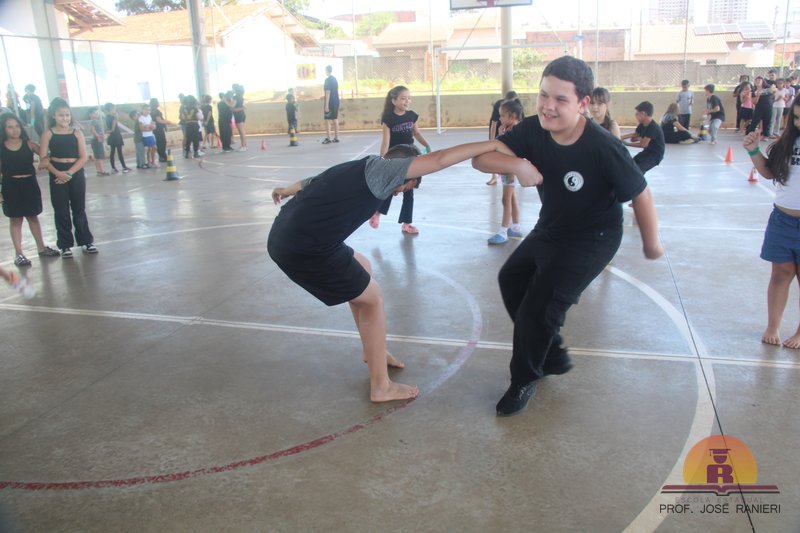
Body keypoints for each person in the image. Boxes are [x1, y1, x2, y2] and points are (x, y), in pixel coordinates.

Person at [268, 140, 541, 403]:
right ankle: (381, 387)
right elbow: (440, 159)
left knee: (363, 269)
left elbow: (311, 181)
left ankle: (372, 351)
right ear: (402, 170)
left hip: (289, 233)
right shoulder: (385, 172)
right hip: (305, 248)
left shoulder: (361, 166)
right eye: (407, 185)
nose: (399, 192)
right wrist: (489, 145)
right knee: (373, 300)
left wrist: (285, 189)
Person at [471, 56, 663, 416]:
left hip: (593, 237)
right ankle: (552, 355)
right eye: (544, 95)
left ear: (583, 103)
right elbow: (481, 159)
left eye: (560, 99)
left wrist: (651, 244)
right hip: (553, 226)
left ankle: (524, 378)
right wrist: (516, 164)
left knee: (539, 309)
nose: (548, 106)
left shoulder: (603, 146)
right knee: (512, 278)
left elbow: (641, 193)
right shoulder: (533, 129)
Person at [744, 94, 800, 348]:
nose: (798, 123)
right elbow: (769, 172)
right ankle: (773, 325)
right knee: (780, 274)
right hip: (782, 220)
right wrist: (753, 150)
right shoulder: (787, 143)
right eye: (796, 118)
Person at [38, 97, 97, 257]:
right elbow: (43, 158)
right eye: (61, 115)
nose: (65, 118)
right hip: (56, 173)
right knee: (61, 210)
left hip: (75, 172)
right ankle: (65, 245)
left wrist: (69, 173)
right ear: (54, 116)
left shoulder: (77, 133)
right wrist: (58, 173)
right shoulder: (48, 134)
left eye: (67, 115)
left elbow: (83, 157)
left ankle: (86, 241)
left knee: (79, 209)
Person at [369, 86, 431, 235]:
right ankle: (377, 213)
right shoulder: (388, 119)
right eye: (403, 98)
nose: (407, 101)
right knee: (391, 187)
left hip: (411, 157)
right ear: (394, 101)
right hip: (395, 157)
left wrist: (427, 145)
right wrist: (383, 160)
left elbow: (417, 133)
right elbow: (385, 142)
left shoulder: (412, 116)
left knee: (409, 190)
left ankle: (407, 223)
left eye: (409, 98)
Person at [0, 112, 60, 266]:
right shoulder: (1, 148)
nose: (14, 130)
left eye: (17, 126)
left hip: (29, 184)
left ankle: (41, 248)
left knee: (33, 216)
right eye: (10, 127)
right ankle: (19, 254)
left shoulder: (29, 144)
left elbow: (46, 154)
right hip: (10, 186)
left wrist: (44, 160)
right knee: (15, 219)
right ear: (3, 129)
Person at [487, 98, 526, 245]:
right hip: (508, 170)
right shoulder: (510, 129)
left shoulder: (515, 131)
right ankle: (515, 227)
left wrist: (511, 174)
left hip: (510, 171)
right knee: (513, 198)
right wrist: (500, 133)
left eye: (502, 115)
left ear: (512, 116)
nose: (500, 118)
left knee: (506, 200)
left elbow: (514, 153)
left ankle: (503, 231)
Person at [621, 101, 665, 174]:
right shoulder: (642, 125)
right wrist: (621, 137)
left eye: (637, 114)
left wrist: (626, 144)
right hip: (646, 153)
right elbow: (633, 138)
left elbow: (643, 144)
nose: (635, 116)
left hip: (654, 156)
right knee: (629, 166)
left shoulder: (653, 127)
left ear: (643, 114)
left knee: (636, 172)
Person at [487, 90, 519, 185]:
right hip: (500, 129)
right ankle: (494, 177)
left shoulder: (517, 106)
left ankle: (516, 174)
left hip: (509, 164)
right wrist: (492, 140)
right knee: (493, 153)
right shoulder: (499, 105)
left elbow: (521, 121)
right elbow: (494, 123)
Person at [103, 102, 131, 173]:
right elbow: (113, 129)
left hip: (111, 137)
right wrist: (116, 117)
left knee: (112, 152)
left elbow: (109, 129)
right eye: (114, 108)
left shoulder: (107, 117)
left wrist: (107, 132)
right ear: (111, 109)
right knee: (119, 152)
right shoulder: (113, 118)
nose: (114, 110)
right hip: (116, 136)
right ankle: (124, 167)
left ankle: (113, 168)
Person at [88, 107, 109, 176]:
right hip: (97, 140)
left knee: (97, 156)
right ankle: (102, 171)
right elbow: (92, 130)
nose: (96, 114)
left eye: (96, 112)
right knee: (99, 156)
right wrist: (99, 136)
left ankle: (99, 171)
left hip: (95, 140)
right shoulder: (94, 121)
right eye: (94, 113)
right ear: (90, 114)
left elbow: (91, 130)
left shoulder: (93, 121)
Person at [322, 66, 340, 144]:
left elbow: (328, 92)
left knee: (327, 120)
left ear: (327, 71)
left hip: (330, 102)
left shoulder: (327, 80)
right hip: (336, 101)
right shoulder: (334, 79)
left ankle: (328, 138)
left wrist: (326, 105)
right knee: (335, 119)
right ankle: (336, 137)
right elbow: (334, 91)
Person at [149, 98, 168, 164]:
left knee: (159, 142)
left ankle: (161, 156)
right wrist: (167, 122)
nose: (158, 103)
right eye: (157, 102)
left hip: (154, 129)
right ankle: (162, 156)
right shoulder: (156, 111)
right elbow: (159, 120)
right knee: (162, 142)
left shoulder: (151, 111)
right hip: (158, 129)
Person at [231, 84, 247, 151]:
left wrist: (228, 101)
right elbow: (243, 106)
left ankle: (244, 146)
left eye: (232, 89)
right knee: (242, 131)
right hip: (242, 114)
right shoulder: (241, 97)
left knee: (241, 131)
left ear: (235, 89)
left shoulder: (235, 97)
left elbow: (232, 106)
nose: (232, 90)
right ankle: (243, 145)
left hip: (238, 115)